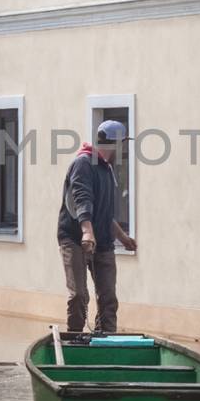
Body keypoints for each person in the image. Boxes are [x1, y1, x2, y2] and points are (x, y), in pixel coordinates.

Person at [57, 119, 137, 334]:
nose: (125, 148)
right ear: (116, 143)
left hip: (102, 241)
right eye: (123, 143)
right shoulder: (83, 163)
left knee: (108, 298)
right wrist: (87, 232)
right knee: (79, 295)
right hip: (75, 238)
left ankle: (106, 340)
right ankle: (74, 340)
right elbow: (82, 199)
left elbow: (104, 213)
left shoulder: (106, 169)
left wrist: (121, 236)